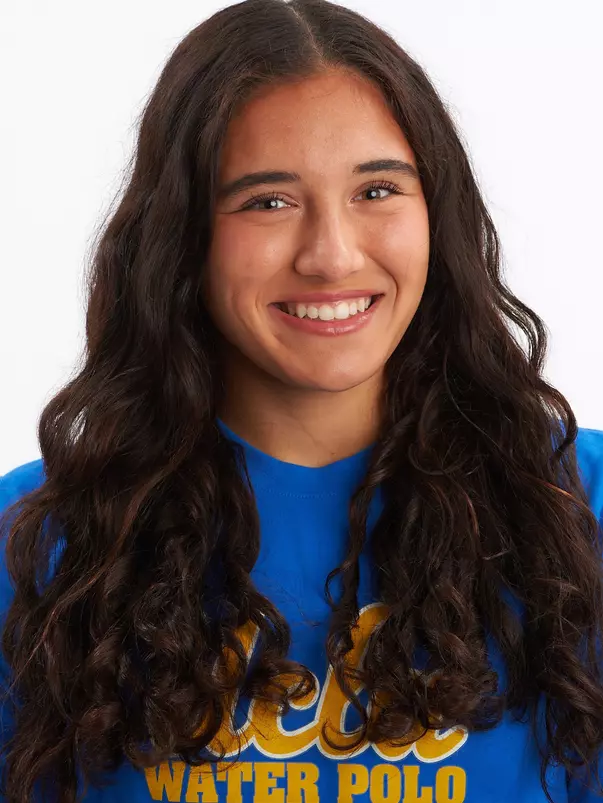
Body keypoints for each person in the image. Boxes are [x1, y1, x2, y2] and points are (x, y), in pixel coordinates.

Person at [1, 0, 602, 800]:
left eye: (377, 189)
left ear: (437, 213)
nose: (330, 254)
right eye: (267, 201)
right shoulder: (41, 546)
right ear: (182, 238)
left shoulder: (574, 506)